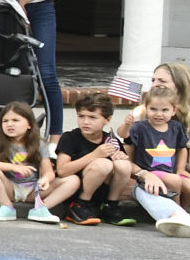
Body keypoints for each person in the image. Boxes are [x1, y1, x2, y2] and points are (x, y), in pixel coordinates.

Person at [122, 85, 190, 233]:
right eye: (153, 109)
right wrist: (127, 124)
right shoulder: (139, 128)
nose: (159, 114)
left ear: (173, 110)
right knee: (175, 181)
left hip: (171, 171)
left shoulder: (177, 127)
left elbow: (182, 149)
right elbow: (126, 145)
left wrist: (181, 169)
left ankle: (179, 212)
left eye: (165, 110)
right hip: (151, 171)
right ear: (146, 108)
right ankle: (178, 215)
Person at [53, 94, 137, 225]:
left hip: (102, 192)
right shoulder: (70, 138)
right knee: (102, 164)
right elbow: (62, 171)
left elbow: (126, 169)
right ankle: (79, 206)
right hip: (75, 191)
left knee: (124, 165)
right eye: (81, 116)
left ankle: (110, 206)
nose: (85, 122)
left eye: (92, 117)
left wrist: (122, 158)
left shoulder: (110, 140)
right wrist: (94, 155)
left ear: (107, 120)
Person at [0, 103, 67, 224]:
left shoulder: (39, 144)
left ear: (29, 124)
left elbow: (48, 172)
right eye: (5, 121)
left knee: (73, 181)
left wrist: (46, 179)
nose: (9, 124)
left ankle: (41, 209)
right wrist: (14, 167)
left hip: (32, 190)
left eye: (15, 120)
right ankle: (6, 207)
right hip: (9, 187)